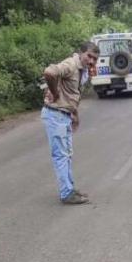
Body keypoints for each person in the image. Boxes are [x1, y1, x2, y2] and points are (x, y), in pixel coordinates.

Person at [41, 41, 99, 204]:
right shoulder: (71, 64)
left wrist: (75, 114)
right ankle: (66, 193)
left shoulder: (83, 70)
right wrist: (54, 92)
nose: (91, 61)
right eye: (89, 56)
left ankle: (69, 188)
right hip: (55, 115)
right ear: (81, 53)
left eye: (95, 59)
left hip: (64, 115)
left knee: (67, 155)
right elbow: (49, 72)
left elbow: (72, 94)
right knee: (61, 156)